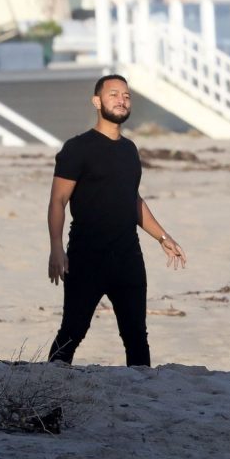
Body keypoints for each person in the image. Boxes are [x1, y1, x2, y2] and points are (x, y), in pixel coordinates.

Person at [47, 74, 186, 366]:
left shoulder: (129, 150)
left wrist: (163, 237)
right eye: (113, 94)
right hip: (86, 257)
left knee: (136, 334)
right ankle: (49, 387)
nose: (121, 100)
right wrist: (56, 247)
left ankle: (141, 398)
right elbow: (58, 200)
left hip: (128, 257)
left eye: (126, 95)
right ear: (97, 101)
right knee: (73, 330)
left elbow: (133, 200)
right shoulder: (77, 148)